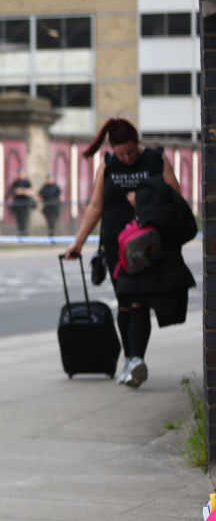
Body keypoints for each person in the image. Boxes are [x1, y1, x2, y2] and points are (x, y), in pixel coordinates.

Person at [64, 117, 193, 388]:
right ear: (113, 149)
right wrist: (78, 243)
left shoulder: (157, 160)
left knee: (139, 301)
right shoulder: (108, 166)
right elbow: (95, 207)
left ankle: (135, 358)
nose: (128, 158)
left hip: (147, 245)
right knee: (125, 302)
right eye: (122, 153)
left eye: (132, 152)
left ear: (138, 142)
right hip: (115, 246)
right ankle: (131, 360)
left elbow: (175, 199)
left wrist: (145, 198)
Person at [7, 169, 35, 236]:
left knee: (25, 218)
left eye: (22, 174)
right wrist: (18, 192)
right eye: (20, 174)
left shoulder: (27, 182)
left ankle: (25, 232)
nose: (21, 175)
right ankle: (20, 231)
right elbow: (12, 192)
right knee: (18, 218)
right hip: (17, 203)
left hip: (25, 203)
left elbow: (31, 192)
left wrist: (22, 191)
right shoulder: (16, 182)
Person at [38, 173, 62, 237]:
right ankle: (51, 232)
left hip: (54, 206)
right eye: (48, 178)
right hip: (47, 206)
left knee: (53, 220)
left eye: (50, 178)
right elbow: (39, 194)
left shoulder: (56, 186)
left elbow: (60, 196)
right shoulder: (44, 187)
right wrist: (41, 200)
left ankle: (52, 232)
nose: (49, 180)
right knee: (49, 220)